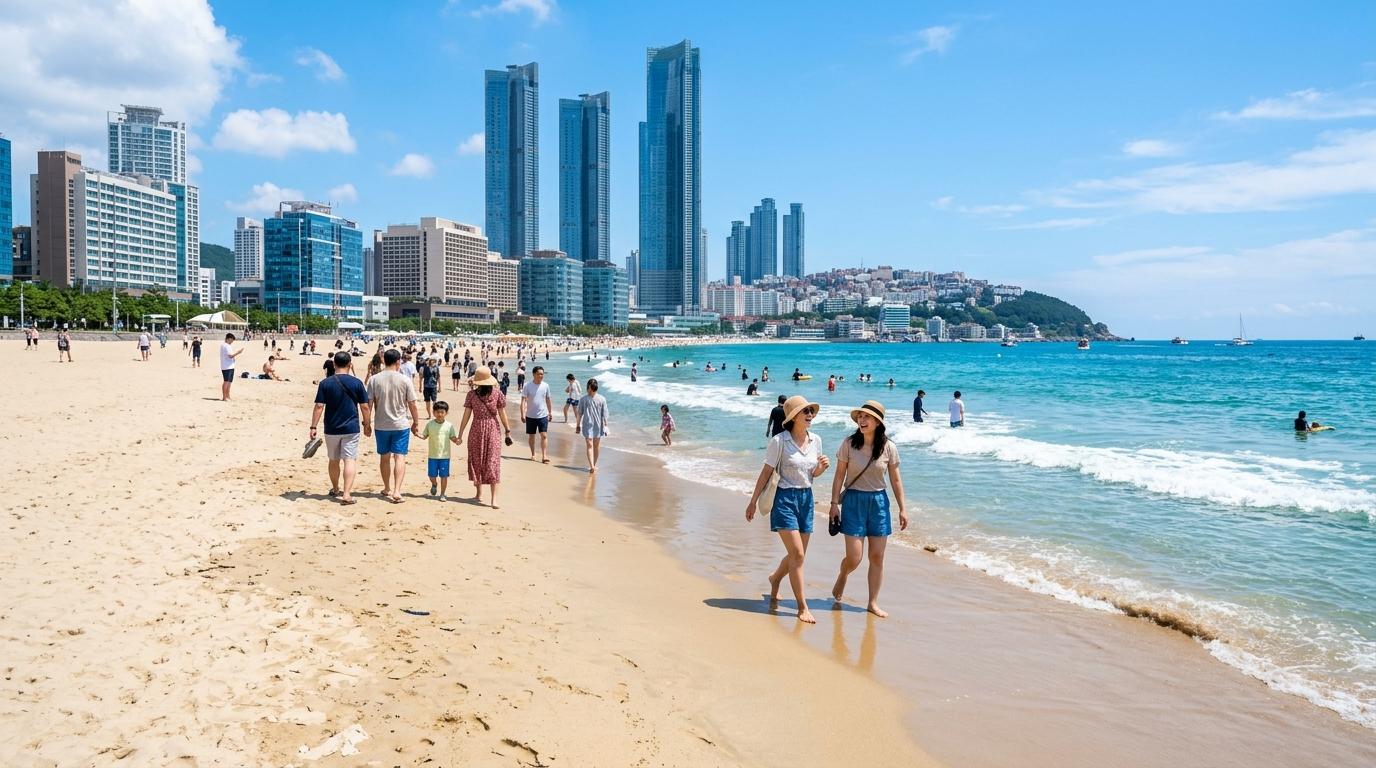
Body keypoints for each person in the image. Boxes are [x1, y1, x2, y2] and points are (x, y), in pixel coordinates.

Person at [745, 395, 830, 624]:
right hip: (784, 499)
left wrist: (821, 469)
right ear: (793, 416)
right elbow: (766, 472)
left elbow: (811, 475)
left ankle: (775, 579)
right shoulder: (779, 441)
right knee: (798, 555)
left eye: (811, 411)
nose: (810, 415)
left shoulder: (816, 441)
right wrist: (753, 501)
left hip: (806, 499)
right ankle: (802, 607)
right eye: (806, 412)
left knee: (797, 554)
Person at [828, 401, 909, 618]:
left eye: (867, 417)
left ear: (877, 422)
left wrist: (903, 508)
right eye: (860, 417)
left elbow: (896, 480)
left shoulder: (889, 447)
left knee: (877, 557)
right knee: (854, 557)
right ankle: (844, 574)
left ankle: (872, 602)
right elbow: (838, 476)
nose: (862, 420)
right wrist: (834, 504)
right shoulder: (848, 444)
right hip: (853, 502)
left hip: (879, 503)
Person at [310, 351, 371, 505]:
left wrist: (313, 426)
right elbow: (364, 406)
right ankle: (347, 494)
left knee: (333, 460)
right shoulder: (357, 383)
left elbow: (319, 406)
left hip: (331, 427)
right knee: (349, 459)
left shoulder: (325, 383)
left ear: (334, 364)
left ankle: (336, 488)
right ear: (350, 365)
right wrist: (367, 424)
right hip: (351, 427)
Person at [366, 348, 421, 503]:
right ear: (398, 362)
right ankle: (397, 491)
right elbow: (412, 404)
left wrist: (366, 422)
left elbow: (368, 404)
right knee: (399, 457)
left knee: (384, 457)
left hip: (381, 424)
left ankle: (386, 487)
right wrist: (416, 422)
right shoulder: (404, 380)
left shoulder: (374, 379)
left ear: (384, 360)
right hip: (400, 425)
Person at [456, 365, 511, 508]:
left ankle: (493, 498)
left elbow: (467, 416)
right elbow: (467, 415)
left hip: (481, 429)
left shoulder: (495, 394)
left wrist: (508, 429)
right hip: (488, 428)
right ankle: (480, 494)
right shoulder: (473, 395)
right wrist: (507, 430)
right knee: (479, 461)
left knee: (491, 462)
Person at [421, 401, 461, 500]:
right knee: (431, 475)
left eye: (442, 412)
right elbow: (424, 436)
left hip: (445, 456)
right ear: (433, 412)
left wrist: (457, 441)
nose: (439, 414)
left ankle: (442, 494)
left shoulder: (449, 425)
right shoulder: (430, 424)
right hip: (432, 455)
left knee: (444, 476)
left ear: (446, 413)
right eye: (437, 412)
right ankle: (434, 484)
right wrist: (418, 434)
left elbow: (452, 437)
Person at [520, 365, 553, 463]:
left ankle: (544, 456)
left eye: (542, 374)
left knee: (544, 435)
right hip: (530, 415)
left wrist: (550, 412)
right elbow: (523, 401)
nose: (541, 376)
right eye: (539, 374)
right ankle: (533, 454)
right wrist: (522, 413)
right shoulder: (527, 385)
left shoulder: (546, 385)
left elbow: (548, 399)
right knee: (532, 436)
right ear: (534, 374)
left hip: (543, 415)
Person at [576, 378, 610, 473]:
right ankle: (591, 466)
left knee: (596, 445)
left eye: (594, 389)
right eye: (591, 388)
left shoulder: (602, 399)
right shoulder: (583, 399)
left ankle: (594, 464)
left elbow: (605, 413)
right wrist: (578, 425)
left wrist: (606, 426)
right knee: (589, 444)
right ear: (588, 388)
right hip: (587, 424)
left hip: (598, 425)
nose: (592, 391)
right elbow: (579, 413)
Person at [219, 334, 244, 401]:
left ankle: (228, 396)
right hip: (226, 366)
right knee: (226, 381)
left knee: (229, 382)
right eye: (232, 340)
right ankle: (224, 397)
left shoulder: (227, 346)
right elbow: (230, 356)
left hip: (230, 366)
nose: (232, 341)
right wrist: (238, 352)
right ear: (228, 339)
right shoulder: (225, 346)